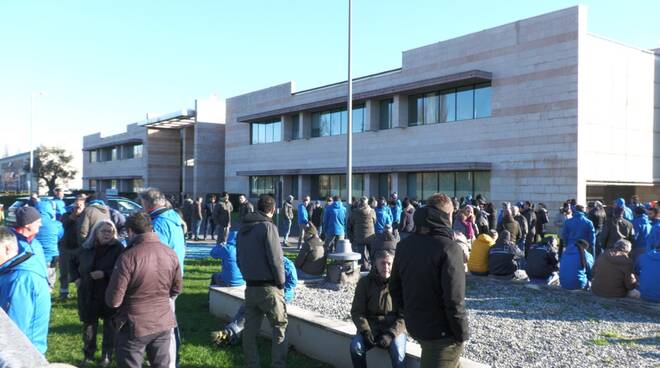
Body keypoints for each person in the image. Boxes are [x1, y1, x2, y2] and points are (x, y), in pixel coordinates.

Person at [389, 193, 469, 368]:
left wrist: (409, 312)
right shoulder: (449, 248)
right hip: (441, 333)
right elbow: (455, 300)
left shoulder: (404, 245)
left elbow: (394, 287)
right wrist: (462, 334)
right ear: (448, 215)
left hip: (417, 326)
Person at [106, 212, 183, 368]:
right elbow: (176, 289)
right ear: (151, 228)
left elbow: (114, 300)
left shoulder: (128, 257)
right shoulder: (170, 253)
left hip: (135, 323)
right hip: (163, 320)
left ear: (130, 231)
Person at [236, 194, 287, 368]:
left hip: (250, 286)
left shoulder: (243, 228)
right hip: (269, 287)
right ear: (273, 209)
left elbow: (239, 258)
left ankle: (252, 364)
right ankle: (277, 365)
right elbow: (276, 259)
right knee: (279, 326)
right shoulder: (268, 227)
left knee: (250, 331)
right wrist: (281, 282)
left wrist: (247, 275)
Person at [139, 187, 186, 368]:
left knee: (163, 326)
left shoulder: (158, 223)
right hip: (175, 276)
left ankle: (167, 362)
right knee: (169, 321)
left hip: (162, 280)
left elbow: (156, 253)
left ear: (147, 203)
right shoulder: (174, 219)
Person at [212, 257, 297, 347]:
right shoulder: (265, 261)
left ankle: (228, 335)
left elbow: (292, 282)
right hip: (263, 292)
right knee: (244, 310)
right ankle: (230, 333)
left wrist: (279, 291)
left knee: (246, 314)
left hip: (277, 296)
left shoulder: (284, 264)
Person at [72, 220, 123, 367]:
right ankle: (88, 354)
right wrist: (76, 278)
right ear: (96, 233)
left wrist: (105, 273)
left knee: (109, 326)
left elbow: (122, 269)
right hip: (88, 292)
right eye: (104, 231)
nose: (107, 234)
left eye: (110, 231)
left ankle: (106, 356)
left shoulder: (118, 248)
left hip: (108, 292)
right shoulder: (86, 247)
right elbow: (72, 262)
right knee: (89, 326)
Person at [350, 250, 406, 368]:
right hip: (371, 327)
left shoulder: (401, 284)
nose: (386, 267)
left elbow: (405, 315)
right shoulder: (365, 283)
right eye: (382, 263)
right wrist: (365, 331)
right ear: (375, 264)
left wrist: (391, 334)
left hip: (393, 328)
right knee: (356, 347)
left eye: (389, 264)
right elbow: (357, 311)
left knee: (398, 351)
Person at [0, 226, 51, 355]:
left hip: (22, 356)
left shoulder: (20, 280)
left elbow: (12, 331)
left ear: (7, 248)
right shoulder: (12, 270)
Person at [58, 195, 86, 300]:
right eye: (76, 205)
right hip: (65, 247)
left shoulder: (85, 217)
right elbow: (62, 225)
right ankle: (63, 293)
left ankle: (81, 293)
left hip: (80, 248)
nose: (77, 207)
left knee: (80, 272)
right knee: (64, 271)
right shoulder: (67, 215)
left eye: (80, 205)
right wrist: (72, 216)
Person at [34, 199, 64, 289]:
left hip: (35, 256)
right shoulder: (57, 224)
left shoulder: (33, 223)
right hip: (52, 256)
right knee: (49, 282)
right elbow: (60, 237)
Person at [348, 197, 376, 271]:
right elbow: (375, 221)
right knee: (372, 254)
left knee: (362, 256)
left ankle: (364, 270)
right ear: (367, 203)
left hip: (359, 237)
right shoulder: (372, 211)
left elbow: (350, 223)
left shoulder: (355, 212)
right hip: (371, 237)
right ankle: (374, 269)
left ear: (360, 203)